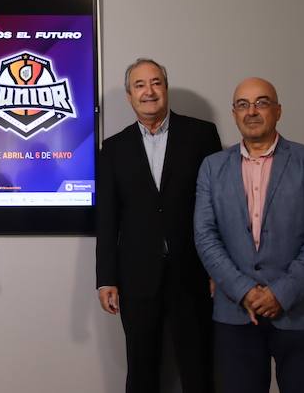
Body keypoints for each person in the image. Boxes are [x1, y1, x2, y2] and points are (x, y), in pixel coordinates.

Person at [194, 77, 304, 393]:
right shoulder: (212, 167)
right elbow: (205, 236)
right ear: (234, 113)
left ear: (278, 111)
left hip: (300, 312)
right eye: (243, 105)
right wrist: (244, 290)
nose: (252, 111)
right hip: (235, 312)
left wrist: (280, 294)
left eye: (261, 102)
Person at [96, 58, 221, 392]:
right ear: (129, 96)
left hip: (194, 273)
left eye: (155, 83)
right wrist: (105, 278)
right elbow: (107, 219)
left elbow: (217, 206)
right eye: (139, 85)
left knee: (199, 367)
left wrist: (218, 269)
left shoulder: (202, 135)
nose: (148, 91)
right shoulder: (113, 149)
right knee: (141, 370)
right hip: (136, 276)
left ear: (165, 89)